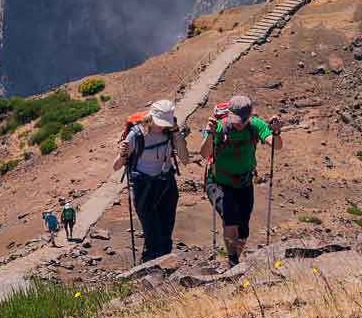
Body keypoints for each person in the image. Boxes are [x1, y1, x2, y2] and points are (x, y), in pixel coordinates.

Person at [201, 94, 278, 267]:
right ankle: (233, 261)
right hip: (218, 182)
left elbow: (276, 144)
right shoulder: (218, 127)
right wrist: (210, 135)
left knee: (243, 229)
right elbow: (204, 154)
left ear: (249, 116)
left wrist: (276, 132)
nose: (237, 124)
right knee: (231, 217)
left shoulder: (255, 126)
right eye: (235, 119)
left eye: (241, 121)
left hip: (244, 183)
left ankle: (234, 260)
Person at [117, 98, 190, 262]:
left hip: (166, 184)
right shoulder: (136, 134)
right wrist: (123, 153)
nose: (163, 126)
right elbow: (116, 166)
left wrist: (177, 134)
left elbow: (185, 159)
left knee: (166, 232)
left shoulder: (171, 132)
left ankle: (163, 269)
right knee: (152, 234)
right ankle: (150, 266)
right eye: (161, 122)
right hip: (144, 187)